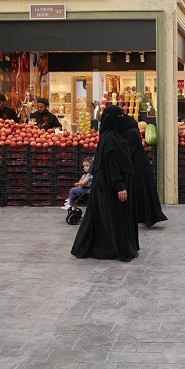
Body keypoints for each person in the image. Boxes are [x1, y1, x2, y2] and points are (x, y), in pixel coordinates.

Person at [71, 104, 139, 262]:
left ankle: (109, 246)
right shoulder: (110, 139)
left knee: (108, 217)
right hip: (111, 187)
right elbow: (111, 164)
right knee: (113, 217)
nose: (122, 119)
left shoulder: (111, 136)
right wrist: (120, 186)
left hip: (109, 186)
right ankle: (112, 248)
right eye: (119, 117)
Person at [123, 115, 168, 227]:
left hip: (139, 167)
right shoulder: (132, 131)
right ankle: (143, 217)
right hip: (139, 165)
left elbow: (129, 150)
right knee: (143, 191)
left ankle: (147, 216)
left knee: (142, 191)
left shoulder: (132, 133)